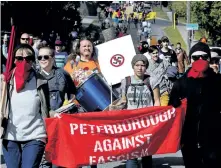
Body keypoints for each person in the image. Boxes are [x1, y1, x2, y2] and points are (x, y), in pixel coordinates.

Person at [169, 42, 221, 168]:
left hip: (213, 138)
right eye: (196, 57)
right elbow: (171, 111)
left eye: (204, 57)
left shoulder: (218, 81)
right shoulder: (180, 84)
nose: (200, 60)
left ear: (209, 58)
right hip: (188, 139)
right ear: (191, 59)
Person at [110, 54, 161, 168]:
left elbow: (157, 101)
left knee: (146, 154)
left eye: (142, 65)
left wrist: (157, 119)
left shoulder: (152, 81)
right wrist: (115, 107)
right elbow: (123, 102)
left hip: (147, 123)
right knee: (131, 155)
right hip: (131, 124)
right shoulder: (126, 81)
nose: (139, 68)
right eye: (137, 65)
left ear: (146, 67)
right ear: (133, 66)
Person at [1, 44, 48, 168]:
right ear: (14, 60)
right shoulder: (6, 81)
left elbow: (46, 108)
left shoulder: (41, 81)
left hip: (35, 134)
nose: (24, 62)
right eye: (20, 59)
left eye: (29, 58)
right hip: (10, 135)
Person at [37, 46, 77, 168]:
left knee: (58, 161)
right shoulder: (34, 77)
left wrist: (69, 106)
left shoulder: (62, 74)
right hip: (41, 125)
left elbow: (73, 92)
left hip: (60, 124)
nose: (42, 59)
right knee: (44, 161)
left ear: (53, 58)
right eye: (40, 57)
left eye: (46, 57)